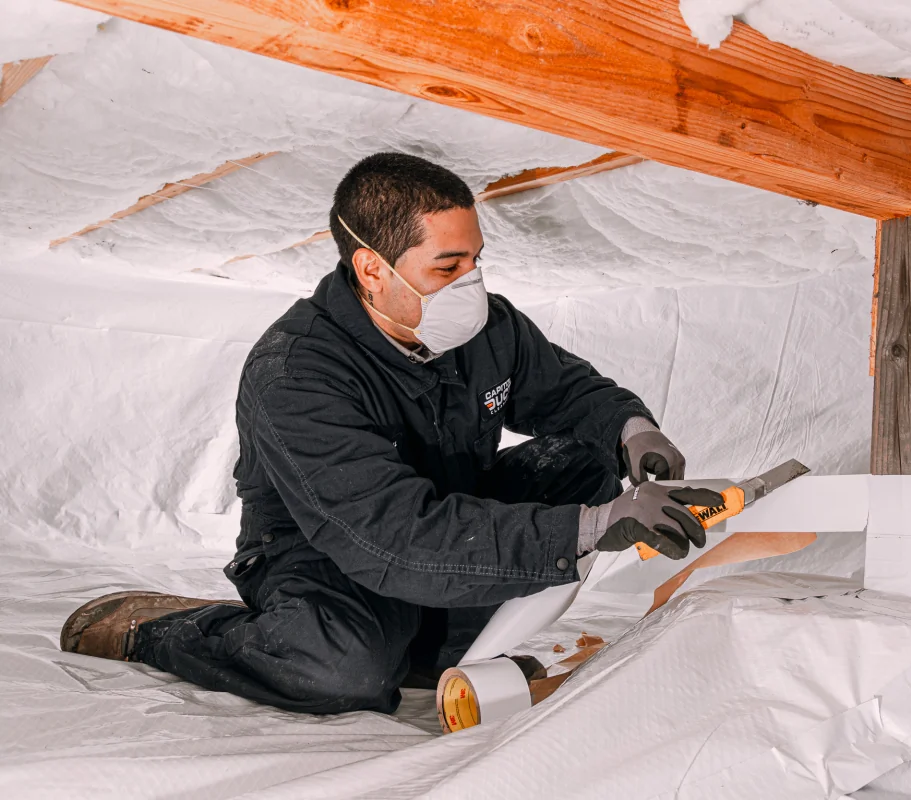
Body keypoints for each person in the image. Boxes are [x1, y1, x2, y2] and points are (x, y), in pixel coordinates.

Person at [59, 152, 721, 714]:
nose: (473, 283)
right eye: (448, 266)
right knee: (341, 670)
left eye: (477, 261)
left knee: (586, 458)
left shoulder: (483, 326)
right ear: (374, 269)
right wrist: (589, 527)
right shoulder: (295, 372)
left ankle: (420, 638)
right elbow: (390, 537)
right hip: (333, 554)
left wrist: (632, 432)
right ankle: (175, 630)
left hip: (447, 513)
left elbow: (567, 393)